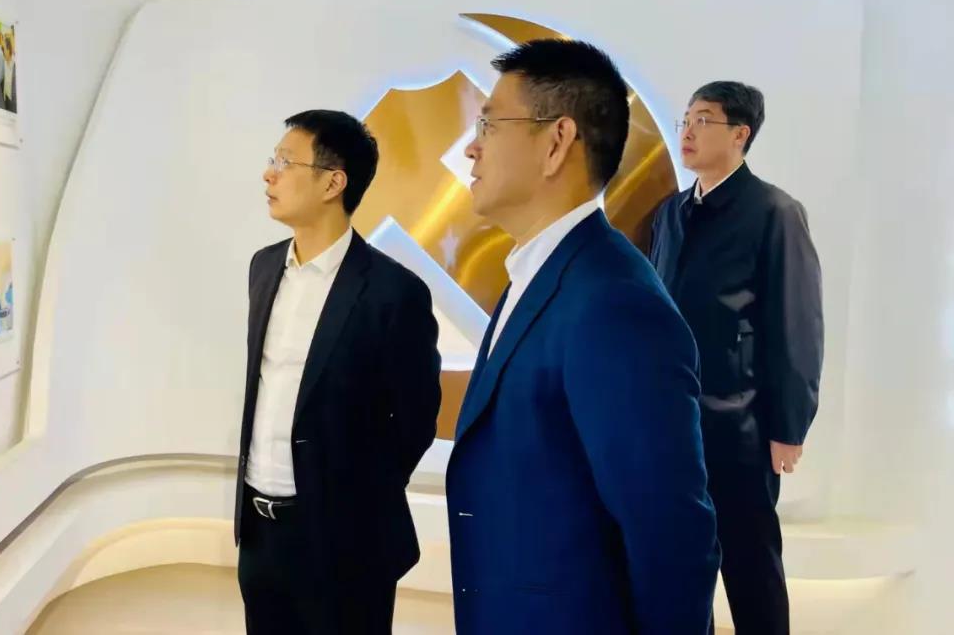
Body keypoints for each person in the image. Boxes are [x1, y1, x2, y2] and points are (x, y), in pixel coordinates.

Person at [446, 39, 719, 634]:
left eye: (489, 124)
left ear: (556, 142)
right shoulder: (538, 275)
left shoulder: (613, 302)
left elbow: (671, 533)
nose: (471, 146)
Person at [235, 110, 441, 634]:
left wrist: (355, 497)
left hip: (346, 542)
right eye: (273, 160)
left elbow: (416, 419)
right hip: (260, 534)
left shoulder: (394, 292)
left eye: (286, 161)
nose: (269, 173)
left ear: (333, 183)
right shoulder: (264, 267)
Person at [649, 81, 823, 635]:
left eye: (703, 120)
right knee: (678, 562)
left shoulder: (774, 212)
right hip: (673, 424)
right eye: (685, 120)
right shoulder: (671, 214)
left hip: (740, 426)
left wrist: (789, 428)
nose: (687, 131)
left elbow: (797, 326)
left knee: (751, 565)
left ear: (740, 134)